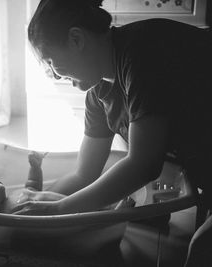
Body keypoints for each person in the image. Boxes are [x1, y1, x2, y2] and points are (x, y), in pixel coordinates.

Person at [12, 0, 212, 266]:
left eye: (50, 61)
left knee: (201, 249)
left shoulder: (141, 52)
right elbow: (84, 174)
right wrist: (37, 206)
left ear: (76, 39)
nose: (53, 75)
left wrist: (60, 209)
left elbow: (144, 164)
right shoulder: (98, 94)